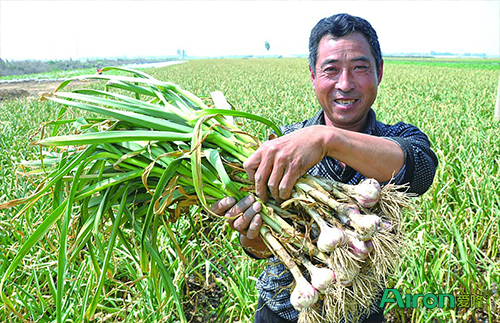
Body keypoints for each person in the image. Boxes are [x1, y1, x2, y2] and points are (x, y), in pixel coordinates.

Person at [212, 13, 438, 323]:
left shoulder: (396, 139)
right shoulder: (281, 146)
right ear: (313, 75)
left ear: (379, 72)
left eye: (360, 68)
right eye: (331, 70)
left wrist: (326, 139)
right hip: (284, 309)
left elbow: (420, 170)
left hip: (360, 309)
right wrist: (252, 235)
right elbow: (257, 248)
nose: (345, 84)